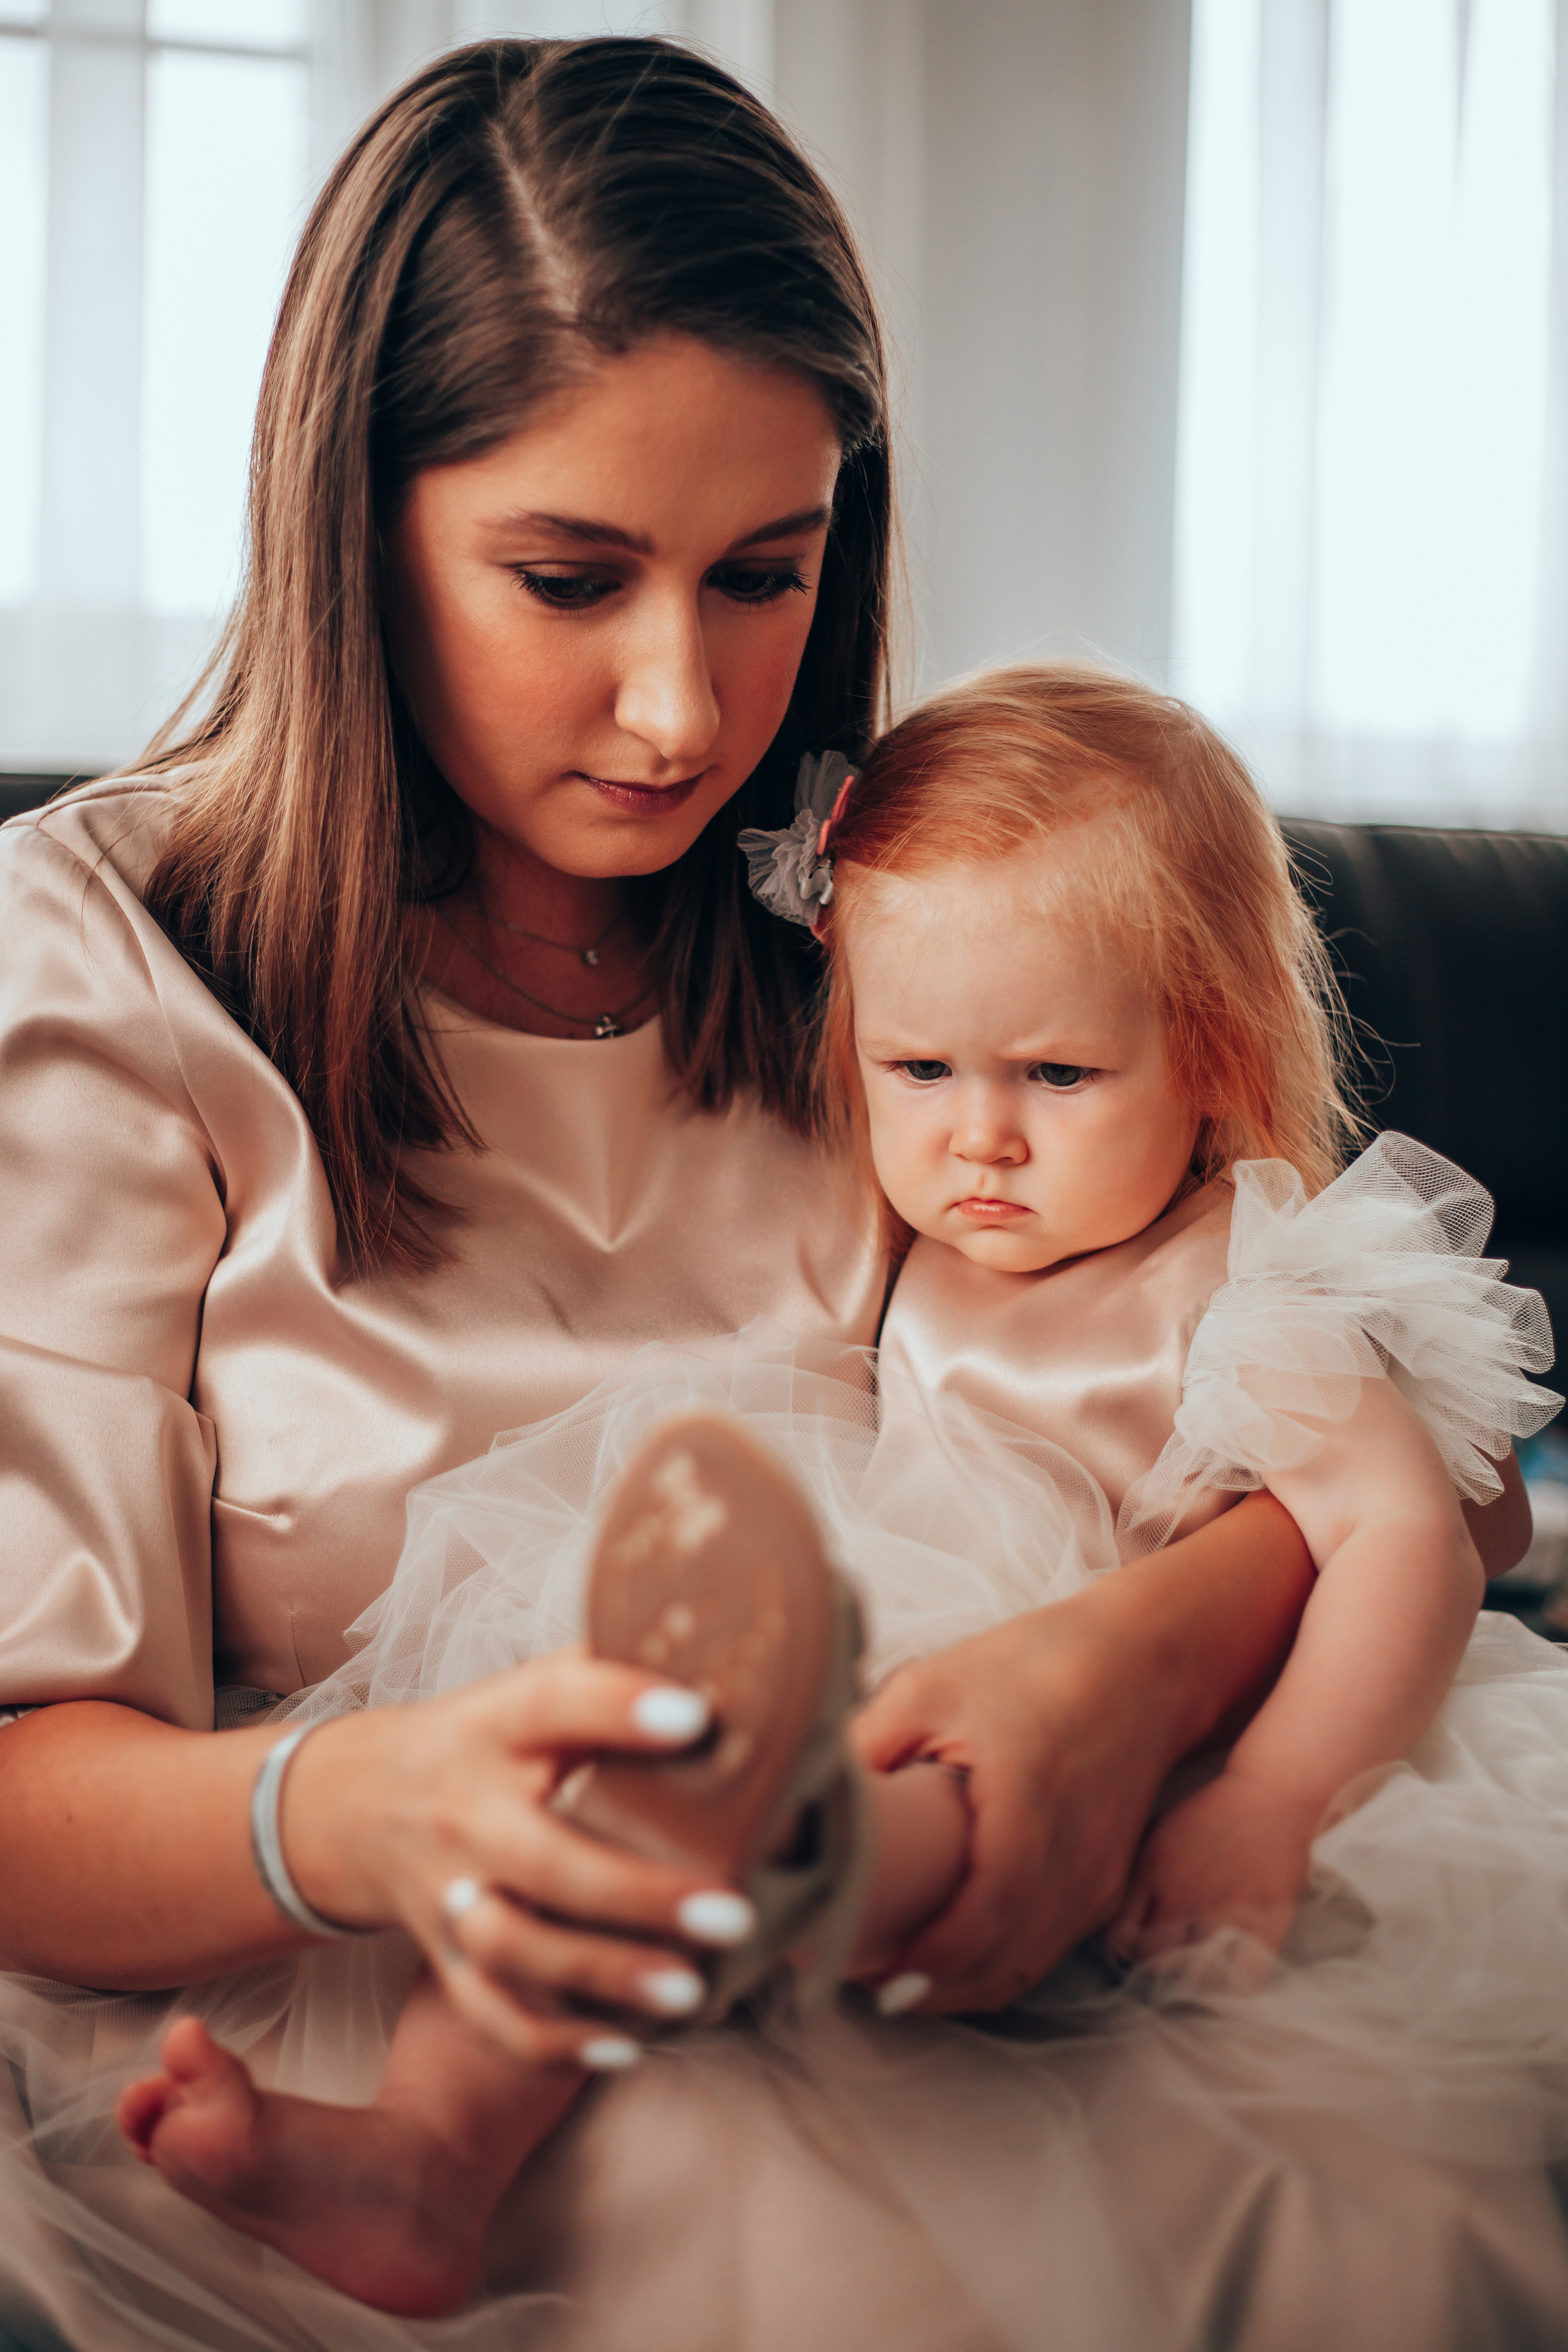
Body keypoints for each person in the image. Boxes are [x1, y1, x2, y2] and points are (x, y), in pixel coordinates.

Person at [0, 37, 1343, 2352]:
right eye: (567, 576)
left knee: (1344, 2208)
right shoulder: (98, 961)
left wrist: (1120, 1674)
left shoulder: (901, 926)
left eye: (763, 579)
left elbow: (1375, 1431)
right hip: (344, 1998)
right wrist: (376, 1808)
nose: (675, 709)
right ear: (354, 530)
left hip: (905, 1909)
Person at [110, 666, 1568, 2349]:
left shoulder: (1243, 1282)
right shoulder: (912, 1248)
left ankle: (811, 1852)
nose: (981, 1143)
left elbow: (1416, 1537)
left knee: (881, 1791)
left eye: (1061, 1076)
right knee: (595, 1789)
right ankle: (432, 2148)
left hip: (1105, 1745)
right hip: (877, 1654)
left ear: (1216, 1049)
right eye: (922, 1068)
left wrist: (1279, 1801)